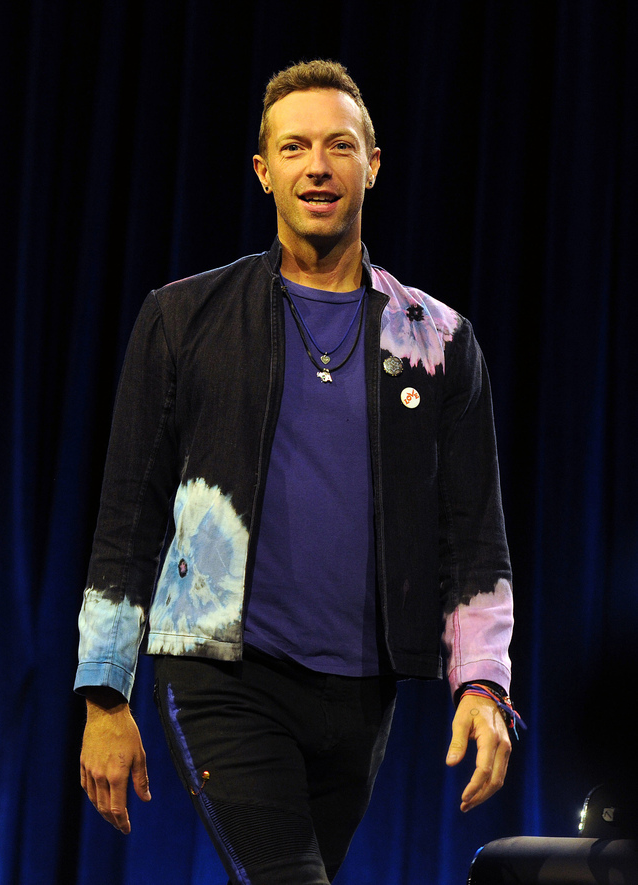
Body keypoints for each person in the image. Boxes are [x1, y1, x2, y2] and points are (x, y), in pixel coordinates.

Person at [76, 59, 517, 884]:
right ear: (264, 170)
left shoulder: (440, 340)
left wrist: (483, 684)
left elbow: (474, 532)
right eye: (295, 147)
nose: (318, 164)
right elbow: (127, 517)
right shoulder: (182, 318)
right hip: (222, 675)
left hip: (361, 695)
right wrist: (106, 693)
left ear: (373, 165)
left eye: (340, 145)